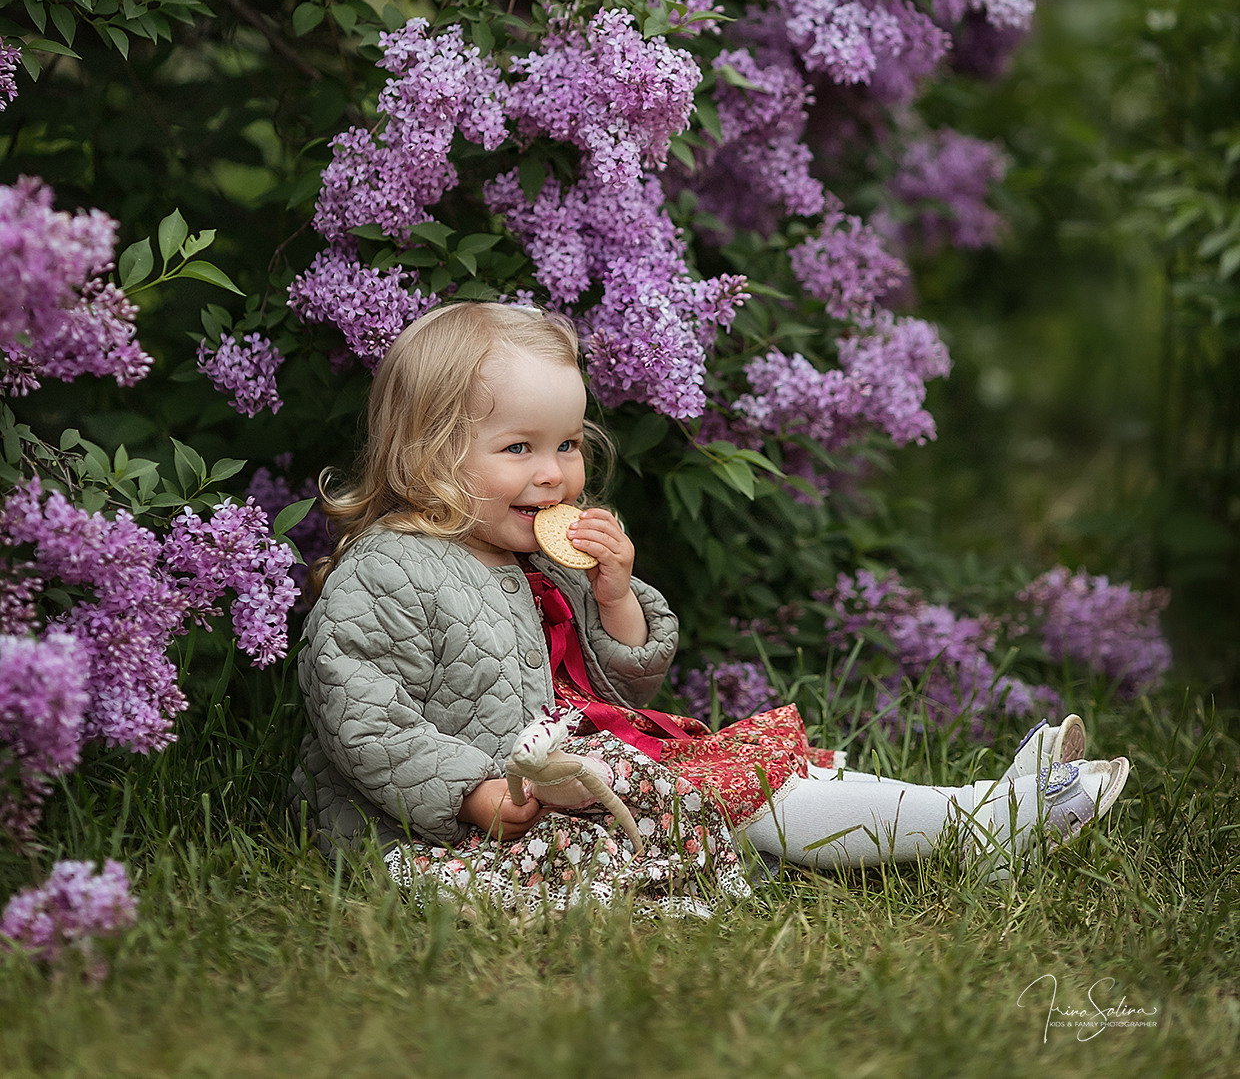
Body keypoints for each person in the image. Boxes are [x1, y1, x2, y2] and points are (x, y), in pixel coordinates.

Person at [293, 302, 1129, 912]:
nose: (554, 473)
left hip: (581, 776)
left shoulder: (536, 556)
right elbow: (363, 719)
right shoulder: (392, 569)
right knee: (746, 794)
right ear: (429, 455)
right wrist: (473, 792)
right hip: (455, 824)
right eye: (520, 449)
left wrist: (615, 597)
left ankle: (979, 812)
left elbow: (621, 694)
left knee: (783, 775)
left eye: (567, 446)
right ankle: (985, 823)